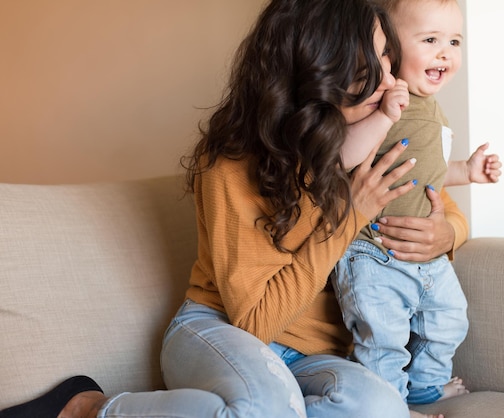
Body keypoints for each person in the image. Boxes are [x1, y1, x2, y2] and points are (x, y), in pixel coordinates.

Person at [0, 1, 464, 417]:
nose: (389, 78)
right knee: (265, 407)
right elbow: (256, 322)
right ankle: (91, 409)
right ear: (321, 65)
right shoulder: (230, 164)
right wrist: (350, 216)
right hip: (218, 330)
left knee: (381, 408)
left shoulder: (373, 133)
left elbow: (433, 198)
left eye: (387, 56)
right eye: (371, 59)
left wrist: (449, 234)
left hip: (315, 355)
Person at [332, 0, 502, 407]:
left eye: (454, 41)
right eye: (430, 40)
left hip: (426, 259)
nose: (446, 52)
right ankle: (390, 405)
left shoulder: (432, 108)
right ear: (387, 50)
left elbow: (430, 172)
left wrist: (468, 170)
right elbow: (340, 156)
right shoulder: (375, 95)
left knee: (449, 318)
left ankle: (424, 385)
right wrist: (384, 114)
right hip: (373, 251)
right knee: (383, 339)